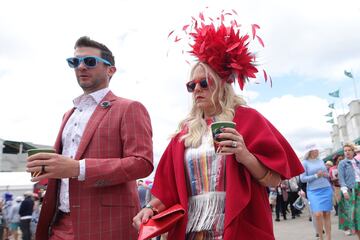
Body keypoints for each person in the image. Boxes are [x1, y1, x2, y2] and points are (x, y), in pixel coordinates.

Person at [132, 11, 303, 240]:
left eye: (204, 83)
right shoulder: (184, 133)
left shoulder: (248, 119)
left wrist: (245, 155)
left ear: (223, 85)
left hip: (238, 225)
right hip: (193, 229)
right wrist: (149, 209)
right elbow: (167, 191)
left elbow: (273, 179)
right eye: (191, 86)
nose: (197, 90)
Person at [26, 36, 154, 240]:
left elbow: (142, 163)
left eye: (90, 61)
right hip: (59, 224)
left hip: (105, 225)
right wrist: (46, 168)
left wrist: (79, 168)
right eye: (74, 62)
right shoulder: (68, 114)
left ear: (111, 70)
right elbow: (63, 169)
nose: (81, 67)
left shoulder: (129, 108)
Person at [300, 144, 333, 240]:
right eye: (315, 150)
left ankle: (328, 237)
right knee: (318, 214)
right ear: (310, 151)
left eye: (317, 149)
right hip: (313, 191)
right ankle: (321, 237)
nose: (317, 151)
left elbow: (326, 174)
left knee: (327, 214)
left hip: (326, 187)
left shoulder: (321, 160)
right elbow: (302, 179)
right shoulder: (304, 163)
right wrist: (315, 176)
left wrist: (327, 174)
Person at [337, 143, 360, 239]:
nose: (347, 152)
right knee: (356, 215)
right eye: (345, 151)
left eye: (349, 150)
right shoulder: (342, 163)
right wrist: (344, 190)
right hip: (352, 189)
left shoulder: (357, 162)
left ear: (353, 151)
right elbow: (341, 178)